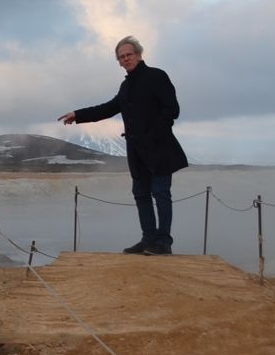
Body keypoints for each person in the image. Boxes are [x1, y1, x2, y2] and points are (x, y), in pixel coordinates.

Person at [58, 36, 188, 255]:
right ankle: (148, 240)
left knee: (161, 193)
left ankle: (163, 243)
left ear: (138, 54)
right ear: (119, 62)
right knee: (141, 194)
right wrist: (77, 114)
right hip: (137, 152)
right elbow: (107, 108)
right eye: (121, 57)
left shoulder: (157, 76)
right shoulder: (126, 86)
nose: (126, 59)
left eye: (129, 55)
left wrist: (152, 135)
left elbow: (171, 110)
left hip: (159, 149)